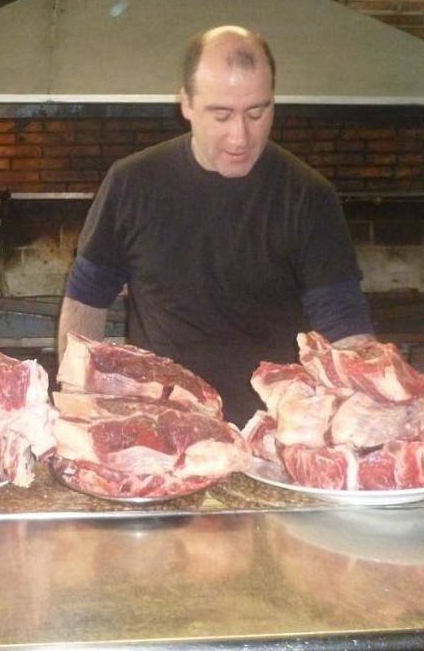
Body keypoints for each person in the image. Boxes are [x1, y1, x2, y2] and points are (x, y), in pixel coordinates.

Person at [57, 25, 372, 424]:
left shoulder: (308, 196)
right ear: (186, 103)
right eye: (221, 115)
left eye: (257, 112)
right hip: (163, 427)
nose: (240, 136)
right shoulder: (132, 182)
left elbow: (343, 322)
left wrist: (374, 404)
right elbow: (87, 300)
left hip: (274, 430)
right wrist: (75, 403)